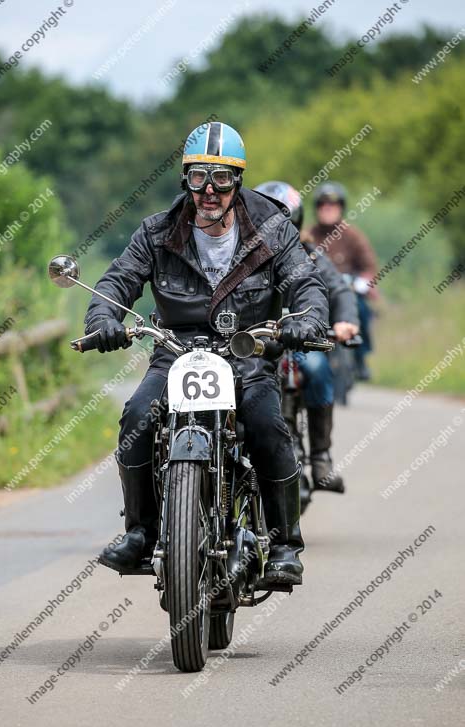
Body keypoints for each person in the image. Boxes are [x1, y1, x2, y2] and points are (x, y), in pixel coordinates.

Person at [84, 121, 329, 587]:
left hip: (247, 351)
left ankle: (283, 544)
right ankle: (141, 531)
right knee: (137, 417)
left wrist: (307, 318)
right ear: (186, 180)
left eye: (221, 177)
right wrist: (103, 320)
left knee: (267, 425)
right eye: (199, 177)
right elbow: (117, 280)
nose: (209, 190)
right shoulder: (157, 231)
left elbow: (305, 282)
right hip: (177, 351)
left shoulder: (273, 228)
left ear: (238, 180)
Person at [254, 181, 359, 492]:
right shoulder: (242, 256)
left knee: (315, 369)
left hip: (300, 341)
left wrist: (345, 321)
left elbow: (338, 289)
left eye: (280, 220)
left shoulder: (309, 256)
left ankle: (321, 456)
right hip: (255, 345)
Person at [309, 182, 377, 381]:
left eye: (333, 204)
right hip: (318, 294)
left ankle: (361, 357)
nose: (328, 208)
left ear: (341, 207)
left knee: (362, 311)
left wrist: (364, 282)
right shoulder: (308, 235)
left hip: (349, 291)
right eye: (323, 204)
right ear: (317, 208)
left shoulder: (353, 235)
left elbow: (369, 266)